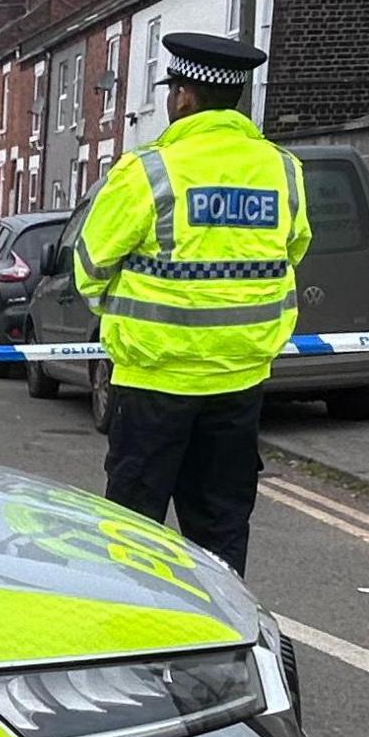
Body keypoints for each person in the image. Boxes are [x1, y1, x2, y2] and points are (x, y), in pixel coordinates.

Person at [68, 31, 310, 572]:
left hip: (153, 380)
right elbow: (292, 251)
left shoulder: (148, 170)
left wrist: (125, 309)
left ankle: (131, 642)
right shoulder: (283, 171)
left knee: (133, 534)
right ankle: (218, 645)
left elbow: (88, 267)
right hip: (238, 380)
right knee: (221, 534)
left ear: (183, 97)